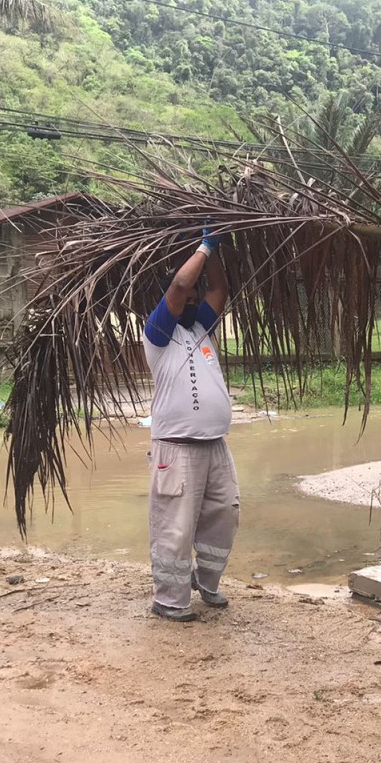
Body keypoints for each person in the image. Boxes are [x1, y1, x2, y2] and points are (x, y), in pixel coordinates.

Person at [141, 229, 239, 622]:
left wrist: (214, 242)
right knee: (174, 528)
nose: (195, 297)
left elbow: (219, 287)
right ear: (172, 302)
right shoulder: (158, 333)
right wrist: (206, 245)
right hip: (176, 449)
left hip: (215, 446)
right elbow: (182, 283)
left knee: (225, 514)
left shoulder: (200, 329)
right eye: (188, 296)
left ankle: (206, 581)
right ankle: (168, 599)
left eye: (197, 296)